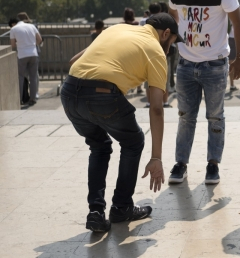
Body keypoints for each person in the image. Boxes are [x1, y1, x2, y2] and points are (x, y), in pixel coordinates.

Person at [62, 13, 182, 233]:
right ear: (166, 33)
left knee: (99, 147)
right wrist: (156, 157)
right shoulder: (156, 51)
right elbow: (156, 107)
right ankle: (122, 207)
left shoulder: (117, 29)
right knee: (133, 141)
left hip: (69, 93)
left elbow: (73, 62)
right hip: (102, 95)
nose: (170, 48)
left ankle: (96, 213)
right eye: (172, 41)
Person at [166, 0, 240, 186]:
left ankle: (213, 164)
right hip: (186, 64)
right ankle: (181, 163)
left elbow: (238, 25)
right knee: (185, 117)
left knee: (214, 117)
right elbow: (173, 20)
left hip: (214, 64)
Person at [10, 12, 42, 106]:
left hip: (22, 54)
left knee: (20, 77)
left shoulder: (14, 29)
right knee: (33, 77)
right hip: (33, 53)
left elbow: (12, 45)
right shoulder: (32, 26)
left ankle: (19, 99)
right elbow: (39, 39)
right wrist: (32, 45)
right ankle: (33, 98)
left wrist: (21, 45)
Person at [228, 20, 238, 92]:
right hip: (233, 39)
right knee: (231, 62)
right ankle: (232, 84)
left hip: (226, 38)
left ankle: (231, 84)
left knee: (229, 62)